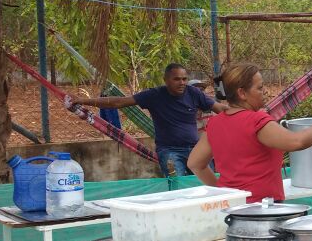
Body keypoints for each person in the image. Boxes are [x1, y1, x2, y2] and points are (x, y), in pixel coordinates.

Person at [187, 63, 312, 203]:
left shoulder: (215, 123)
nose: (265, 91)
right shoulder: (256, 121)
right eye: (260, 88)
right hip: (264, 211)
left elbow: (195, 164)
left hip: (231, 210)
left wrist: (224, 192)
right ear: (242, 93)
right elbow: (297, 142)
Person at [71, 64, 227, 177]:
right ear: (166, 80)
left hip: (195, 149)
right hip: (170, 151)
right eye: (177, 79)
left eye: (185, 79)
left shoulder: (193, 93)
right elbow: (119, 102)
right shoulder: (154, 95)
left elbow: (219, 108)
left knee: (209, 189)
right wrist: (83, 101)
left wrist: (243, 112)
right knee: (179, 189)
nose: (182, 83)